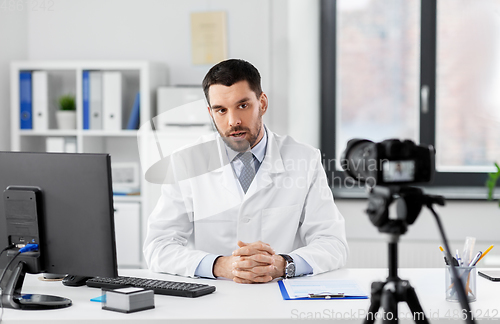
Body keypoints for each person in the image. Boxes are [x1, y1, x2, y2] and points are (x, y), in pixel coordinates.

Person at [143, 59, 348, 284]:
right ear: (211, 113)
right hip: (214, 298)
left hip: (279, 295)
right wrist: (221, 265)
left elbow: (332, 243)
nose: (234, 121)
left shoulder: (305, 159)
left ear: (262, 103)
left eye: (243, 105)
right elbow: (158, 246)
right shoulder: (186, 162)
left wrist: (282, 264)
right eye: (221, 110)